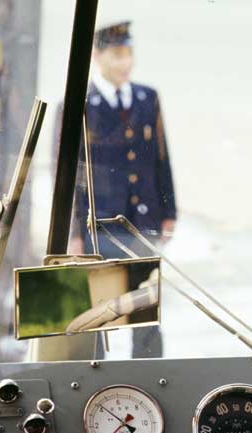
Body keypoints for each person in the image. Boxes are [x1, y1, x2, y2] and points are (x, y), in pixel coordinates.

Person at [69, 20, 176, 358]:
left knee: (146, 307)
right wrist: (73, 232)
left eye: (128, 54)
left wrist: (169, 212)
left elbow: (161, 158)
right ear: (98, 57)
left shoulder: (147, 97)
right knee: (100, 308)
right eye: (117, 55)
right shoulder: (79, 103)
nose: (125, 63)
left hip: (143, 220)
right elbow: (72, 177)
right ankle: (97, 371)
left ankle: (149, 373)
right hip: (99, 225)